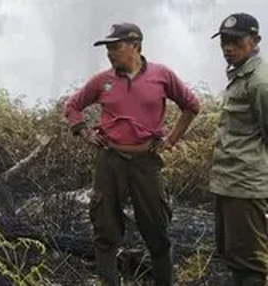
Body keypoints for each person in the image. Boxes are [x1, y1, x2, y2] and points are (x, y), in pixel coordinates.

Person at [63, 22, 200, 285]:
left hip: (146, 162)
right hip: (110, 161)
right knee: (105, 231)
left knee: (157, 230)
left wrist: (171, 139)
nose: (109, 53)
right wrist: (84, 132)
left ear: (135, 46)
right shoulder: (103, 81)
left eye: (115, 47)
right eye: (108, 48)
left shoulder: (162, 75)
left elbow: (191, 106)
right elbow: (72, 106)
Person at [209, 13, 268, 286]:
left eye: (235, 40)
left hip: (246, 186)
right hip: (230, 184)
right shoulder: (241, 77)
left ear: (254, 40)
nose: (227, 47)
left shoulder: (260, 82)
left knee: (252, 265)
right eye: (223, 41)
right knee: (235, 257)